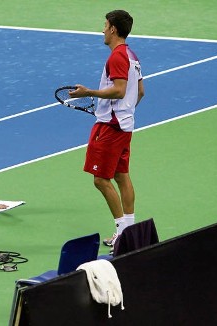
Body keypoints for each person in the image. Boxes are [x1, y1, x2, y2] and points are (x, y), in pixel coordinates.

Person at [68, 10, 145, 247]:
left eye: (105, 25)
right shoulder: (131, 55)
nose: (102, 30)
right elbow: (139, 92)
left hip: (110, 126)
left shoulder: (117, 57)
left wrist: (88, 93)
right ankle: (130, 229)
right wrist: (126, 112)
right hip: (124, 124)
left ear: (113, 29)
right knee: (121, 176)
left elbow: (119, 90)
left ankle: (123, 232)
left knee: (101, 180)